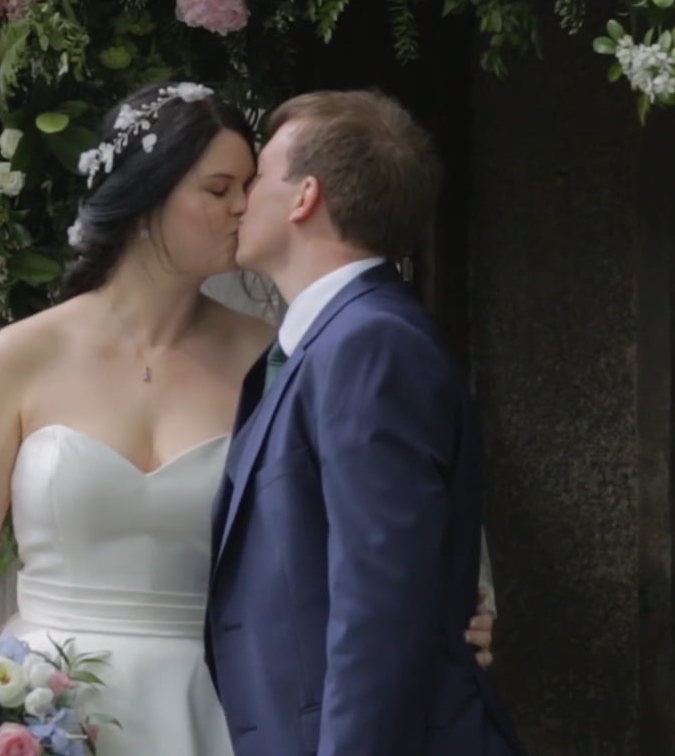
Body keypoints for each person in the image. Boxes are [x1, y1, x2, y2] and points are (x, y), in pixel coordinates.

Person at [0, 82, 496, 754]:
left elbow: (374, 525)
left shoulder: (280, 356)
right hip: (52, 712)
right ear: (148, 197)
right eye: (219, 188)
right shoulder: (21, 354)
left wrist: (457, 612)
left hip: (222, 708)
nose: (242, 205)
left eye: (250, 185)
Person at [207, 90, 525, 755]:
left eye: (258, 176)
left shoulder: (370, 344)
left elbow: (379, 607)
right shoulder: (324, 343)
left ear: (305, 197)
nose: (240, 201)